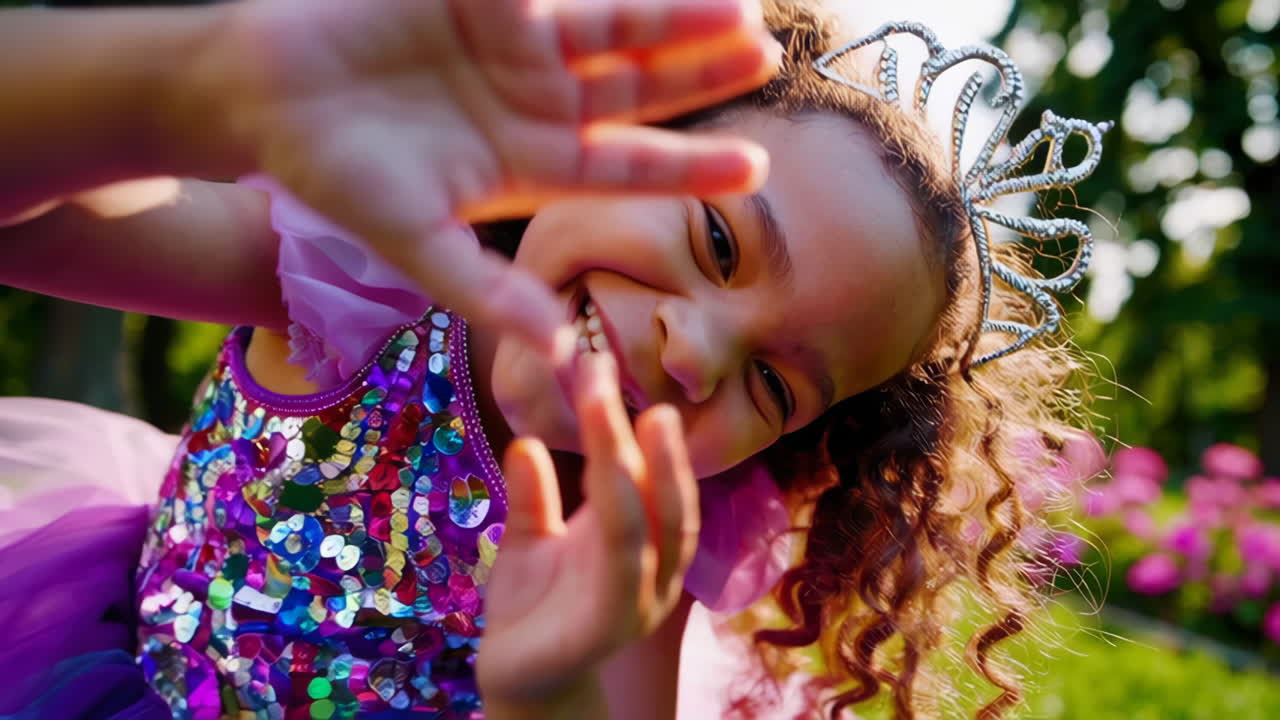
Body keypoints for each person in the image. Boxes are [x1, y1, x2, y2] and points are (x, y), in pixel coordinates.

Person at [0, 0, 1111, 718]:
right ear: (611, 148)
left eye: (775, 385)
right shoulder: (365, 280)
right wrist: (186, 88)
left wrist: (552, 699)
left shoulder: (652, 533)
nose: (694, 352)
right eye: (718, 242)